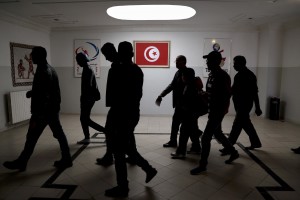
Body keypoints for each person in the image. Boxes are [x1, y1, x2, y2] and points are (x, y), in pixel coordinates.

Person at [3, 46, 72, 171]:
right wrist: (33, 92)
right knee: (58, 134)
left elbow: (44, 93)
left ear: (40, 56)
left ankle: (22, 162)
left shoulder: (43, 71)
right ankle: (66, 159)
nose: (31, 57)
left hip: (43, 112)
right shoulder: (50, 69)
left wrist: (38, 113)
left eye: (33, 55)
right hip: (52, 109)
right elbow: (46, 90)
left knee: (32, 137)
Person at [104, 41, 157, 198]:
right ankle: (148, 169)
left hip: (122, 114)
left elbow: (120, 95)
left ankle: (123, 187)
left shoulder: (121, 69)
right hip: (129, 114)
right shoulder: (134, 69)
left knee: (119, 151)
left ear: (121, 53)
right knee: (125, 148)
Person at [190, 51, 239, 175]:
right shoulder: (212, 74)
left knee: (206, 138)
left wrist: (209, 96)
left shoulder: (222, 76)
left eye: (209, 60)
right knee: (218, 133)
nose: (207, 62)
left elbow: (226, 95)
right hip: (213, 109)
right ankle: (233, 152)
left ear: (216, 61)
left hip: (218, 111)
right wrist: (206, 95)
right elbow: (213, 93)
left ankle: (203, 165)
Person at [156, 55, 202, 148]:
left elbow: (189, 87)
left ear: (184, 62)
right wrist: (161, 95)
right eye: (175, 61)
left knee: (190, 126)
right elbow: (172, 85)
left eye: (177, 61)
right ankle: (173, 141)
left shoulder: (189, 71)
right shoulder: (177, 73)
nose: (176, 63)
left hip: (188, 105)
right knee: (176, 123)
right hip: (179, 104)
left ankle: (196, 145)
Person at [220, 55, 262, 155]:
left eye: (235, 63)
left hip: (245, 105)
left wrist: (258, 107)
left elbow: (254, 92)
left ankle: (229, 146)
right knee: (246, 124)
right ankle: (256, 142)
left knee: (237, 125)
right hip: (239, 104)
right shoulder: (238, 75)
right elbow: (233, 90)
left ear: (241, 63)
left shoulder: (249, 75)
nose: (233, 66)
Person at [171, 67, 202, 158]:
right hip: (193, 114)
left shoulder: (189, 87)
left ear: (186, 77)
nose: (181, 78)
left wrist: (182, 108)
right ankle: (196, 148)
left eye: (183, 76)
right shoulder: (192, 84)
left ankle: (180, 152)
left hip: (188, 114)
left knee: (183, 133)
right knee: (193, 130)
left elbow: (188, 103)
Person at [76, 52, 105, 145]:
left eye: (78, 61)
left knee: (85, 119)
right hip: (88, 98)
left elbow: (87, 86)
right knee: (84, 119)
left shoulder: (87, 70)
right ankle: (87, 137)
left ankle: (106, 131)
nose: (77, 63)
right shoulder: (87, 68)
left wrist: (84, 99)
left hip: (87, 98)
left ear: (82, 60)